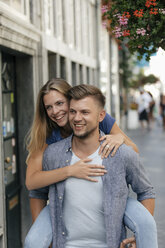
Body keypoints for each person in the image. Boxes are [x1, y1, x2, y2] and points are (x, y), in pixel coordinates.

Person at [24, 79, 155, 248]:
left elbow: (133, 154)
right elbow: (33, 185)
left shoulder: (101, 118)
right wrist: (70, 170)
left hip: (113, 193)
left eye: (59, 103)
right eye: (49, 107)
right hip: (63, 201)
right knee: (32, 242)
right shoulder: (49, 139)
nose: (55, 111)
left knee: (145, 224)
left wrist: (120, 138)